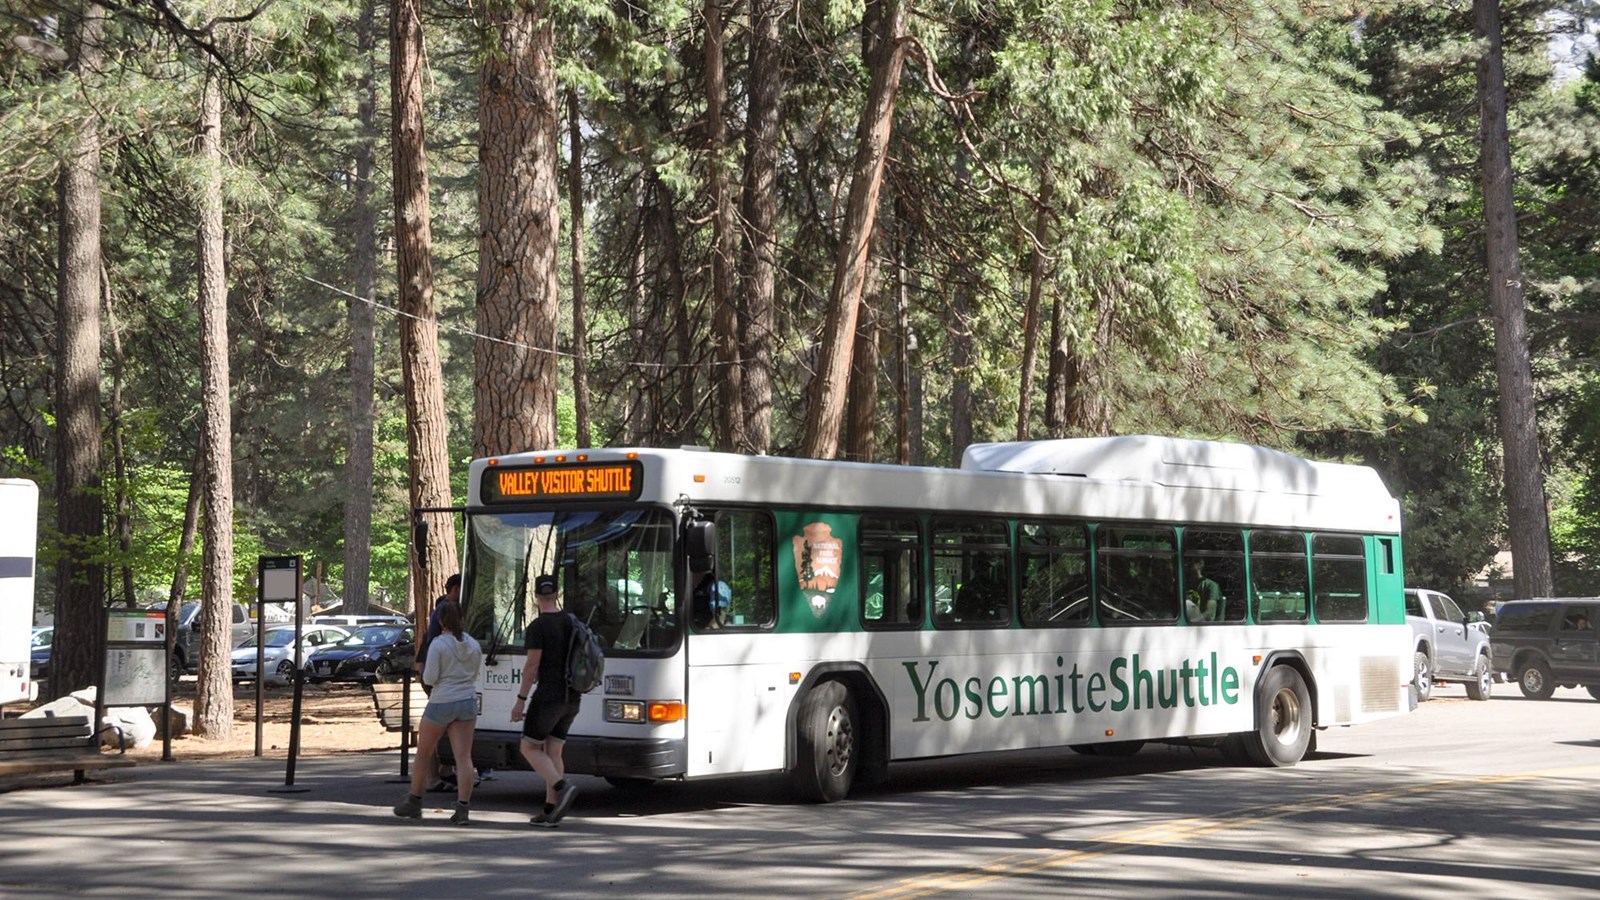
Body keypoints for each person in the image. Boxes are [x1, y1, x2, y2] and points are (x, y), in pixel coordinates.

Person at [393, 598, 481, 825]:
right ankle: (463, 808)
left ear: (441, 620)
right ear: (462, 618)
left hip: (442, 701)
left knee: (424, 752)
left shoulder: (439, 644)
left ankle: (414, 800)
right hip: (467, 701)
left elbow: (430, 677)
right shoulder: (473, 644)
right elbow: (474, 675)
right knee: (464, 757)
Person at [511, 574, 582, 827]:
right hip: (572, 696)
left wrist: (520, 701)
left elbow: (532, 667)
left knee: (528, 747)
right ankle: (551, 809)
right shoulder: (572, 622)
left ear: (536, 596)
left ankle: (562, 786)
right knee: (554, 750)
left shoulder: (537, 627)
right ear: (557, 594)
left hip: (549, 696)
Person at [419, 573, 464, 791]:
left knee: (445, 730)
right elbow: (428, 672)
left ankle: (444, 771)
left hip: (445, 683)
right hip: (442, 683)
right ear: (455, 589)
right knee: (432, 734)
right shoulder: (445, 610)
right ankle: (431, 778)